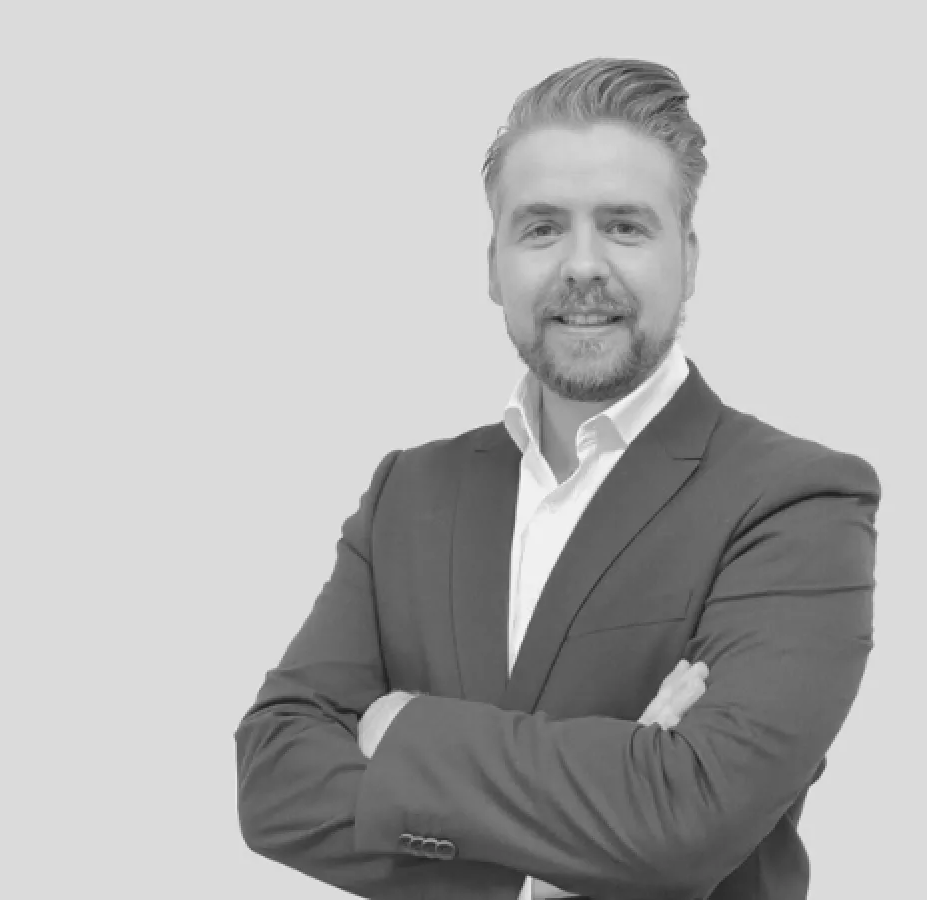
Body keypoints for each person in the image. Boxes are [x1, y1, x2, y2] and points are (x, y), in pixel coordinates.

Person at [233, 58, 879, 900]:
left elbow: (689, 819)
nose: (582, 266)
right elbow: (274, 779)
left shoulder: (797, 501)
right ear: (492, 264)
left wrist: (399, 727)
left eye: (624, 226)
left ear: (687, 259)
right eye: (541, 228)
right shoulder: (409, 493)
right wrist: (569, 852)